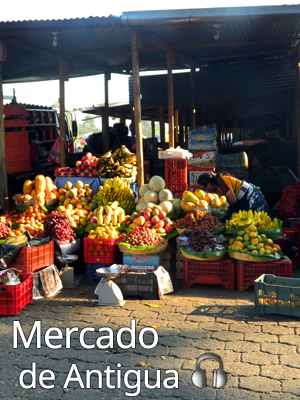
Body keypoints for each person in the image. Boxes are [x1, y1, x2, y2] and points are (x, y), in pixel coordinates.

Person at [197, 172, 269, 213]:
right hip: (243, 199)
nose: (205, 191)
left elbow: (232, 200)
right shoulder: (216, 189)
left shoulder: (222, 181)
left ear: (208, 184)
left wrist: (226, 210)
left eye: (204, 188)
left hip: (249, 197)